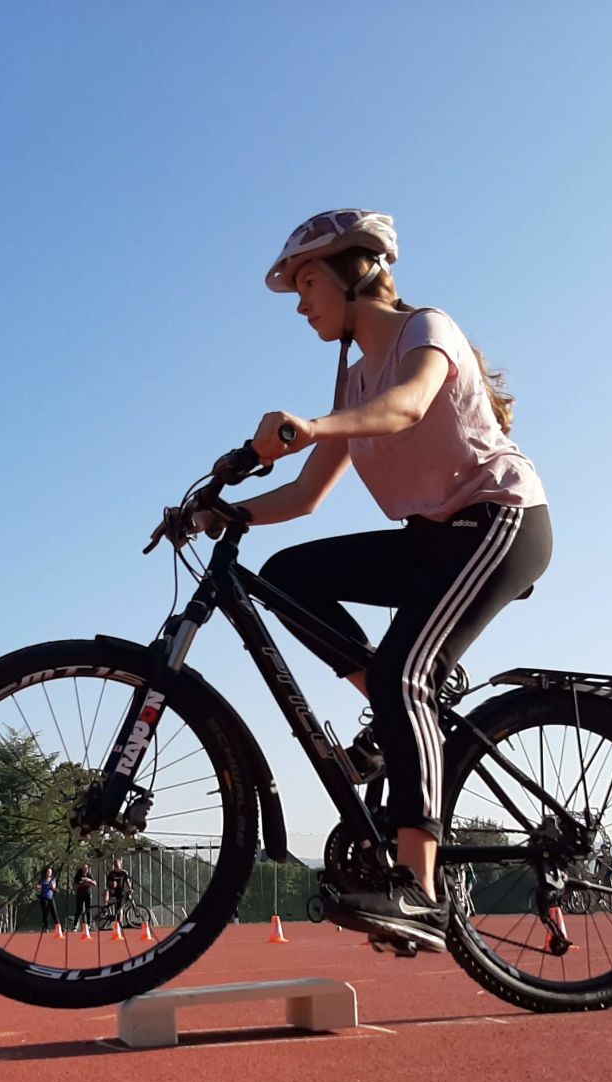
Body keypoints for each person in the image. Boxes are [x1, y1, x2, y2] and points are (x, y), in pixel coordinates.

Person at [181, 211, 551, 952]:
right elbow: (306, 499)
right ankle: (394, 710)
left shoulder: (425, 330)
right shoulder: (352, 380)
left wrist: (316, 427)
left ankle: (418, 888)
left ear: (354, 275)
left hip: (498, 523)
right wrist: (223, 513)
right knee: (288, 575)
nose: (299, 302)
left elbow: (408, 406)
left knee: (404, 676)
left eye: (307, 282)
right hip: (432, 540)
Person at [36, 866, 60, 932]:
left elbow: (54, 888)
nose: (49, 873)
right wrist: (38, 888)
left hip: (51, 898)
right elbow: (38, 888)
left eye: (50, 872)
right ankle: (46, 927)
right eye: (48, 872)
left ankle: (58, 926)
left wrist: (52, 886)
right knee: (45, 912)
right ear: (46, 872)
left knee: (54, 912)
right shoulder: (42, 880)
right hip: (43, 898)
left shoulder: (53, 880)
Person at [72, 863, 94, 931]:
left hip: (88, 894)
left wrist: (89, 880)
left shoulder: (89, 875)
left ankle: (88, 925)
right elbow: (75, 886)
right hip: (80, 894)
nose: (85, 870)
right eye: (84, 869)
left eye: (86, 869)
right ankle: (75, 926)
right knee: (79, 910)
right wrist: (83, 884)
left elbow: (94, 883)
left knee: (88, 910)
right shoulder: (78, 876)